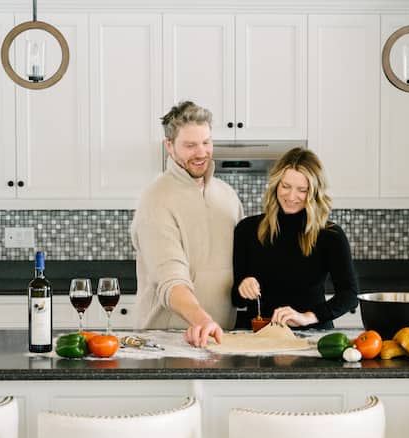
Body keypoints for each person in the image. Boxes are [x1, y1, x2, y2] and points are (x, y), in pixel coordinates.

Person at [131, 101, 243, 347]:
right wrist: (202, 320)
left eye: (206, 142)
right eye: (190, 145)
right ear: (169, 146)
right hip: (166, 340)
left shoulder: (227, 196)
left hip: (219, 337)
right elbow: (171, 279)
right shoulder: (156, 200)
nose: (201, 153)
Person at [232, 147, 358, 329]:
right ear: (276, 185)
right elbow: (236, 300)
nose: (291, 196)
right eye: (285, 186)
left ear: (314, 192)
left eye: (302, 190)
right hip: (259, 335)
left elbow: (349, 295)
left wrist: (306, 317)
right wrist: (243, 287)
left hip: (312, 335)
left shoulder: (330, 235)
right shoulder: (247, 230)